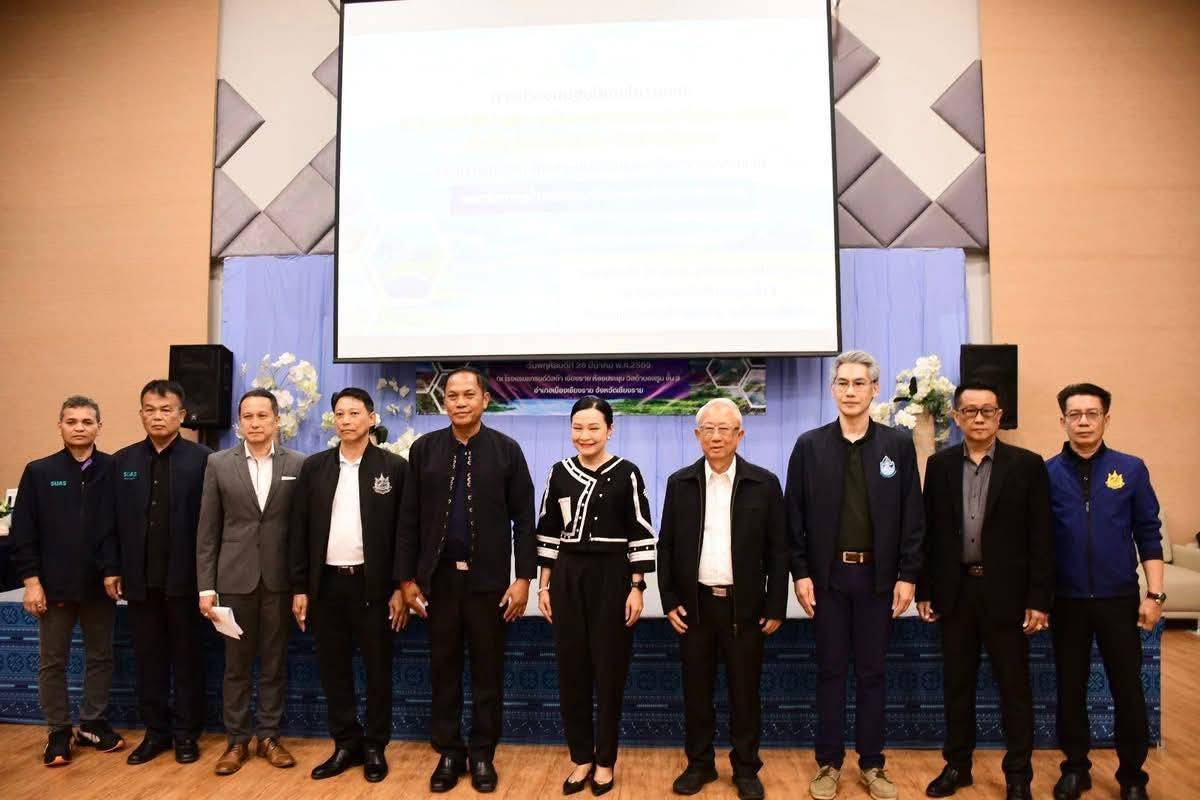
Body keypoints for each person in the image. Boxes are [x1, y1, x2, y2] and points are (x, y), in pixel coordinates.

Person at [785, 350, 923, 800]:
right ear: (833, 390)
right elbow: (793, 516)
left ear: (874, 389)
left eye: (859, 383)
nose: (850, 391)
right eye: (843, 383)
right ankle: (828, 763)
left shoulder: (897, 446)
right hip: (827, 580)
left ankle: (872, 763)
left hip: (877, 581)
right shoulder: (809, 446)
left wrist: (907, 575)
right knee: (829, 672)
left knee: (872, 673)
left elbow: (913, 516)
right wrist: (800, 573)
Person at [396, 367, 536, 794]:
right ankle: (449, 753)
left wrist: (523, 578)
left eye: (468, 394)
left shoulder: (506, 451)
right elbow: (408, 519)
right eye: (452, 395)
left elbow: (524, 519)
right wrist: (406, 579)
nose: (459, 402)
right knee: (444, 671)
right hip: (438, 583)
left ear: (485, 400)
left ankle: (482, 754)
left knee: (488, 672)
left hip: (489, 584)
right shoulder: (424, 450)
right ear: (444, 403)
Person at [917, 381, 1054, 800]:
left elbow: (1042, 537)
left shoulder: (1027, 465)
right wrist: (925, 589)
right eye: (969, 411)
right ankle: (957, 767)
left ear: (1000, 417)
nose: (978, 418)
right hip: (955, 593)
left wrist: (1038, 599)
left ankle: (1018, 775)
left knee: (1014, 689)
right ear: (956, 417)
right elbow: (930, 532)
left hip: (1007, 596)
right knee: (957, 687)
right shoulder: (939, 465)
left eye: (987, 411)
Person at [658, 398, 788, 800]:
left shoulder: (763, 484)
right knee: (696, 693)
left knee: (745, 694)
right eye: (708, 429)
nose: (716, 436)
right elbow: (667, 546)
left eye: (725, 429)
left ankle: (746, 768)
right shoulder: (680, 483)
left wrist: (775, 604)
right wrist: (669, 600)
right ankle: (699, 764)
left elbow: (779, 550)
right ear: (697, 435)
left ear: (740, 434)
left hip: (744, 608)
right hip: (695, 607)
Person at [1046, 384, 1162, 800]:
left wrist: (1155, 596)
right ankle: (1075, 768)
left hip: (1119, 600)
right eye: (1074, 415)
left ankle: (1132, 777)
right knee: (1070, 689)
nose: (1083, 422)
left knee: (1128, 689)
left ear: (1106, 419)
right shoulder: (1046, 473)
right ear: (1063, 421)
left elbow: (1148, 534)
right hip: (1067, 601)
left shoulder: (1131, 469)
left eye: (1091, 414)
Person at [535, 396, 656, 796]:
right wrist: (544, 585)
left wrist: (637, 587)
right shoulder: (559, 472)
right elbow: (548, 530)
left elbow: (640, 531)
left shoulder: (627, 472)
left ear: (610, 430)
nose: (584, 435)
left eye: (593, 428)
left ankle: (605, 761)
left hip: (613, 578)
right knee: (571, 672)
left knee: (609, 672)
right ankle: (581, 758)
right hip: (568, 577)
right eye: (578, 428)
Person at [289, 387, 408, 783]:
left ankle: (374, 746)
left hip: (374, 587)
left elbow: (404, 533)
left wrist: (400, 586)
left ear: (371, 418)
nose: (346, 420)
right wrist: (300, 587)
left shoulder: (393, 468)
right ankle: (345, 743)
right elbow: (299, 530)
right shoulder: (315, 467)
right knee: (334, 670)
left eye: (354, 413)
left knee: (377, 670)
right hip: (327, 586)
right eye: (339, 414)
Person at [195, 388, 305, 775]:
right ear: (239, 422)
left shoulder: (298, 463)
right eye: (248, 417)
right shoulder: (218, 464)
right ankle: (237, 741)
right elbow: (207, 531)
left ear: (277, 420)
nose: (255, 423)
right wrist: (206, 587)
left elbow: (302, 530)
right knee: (236, 667)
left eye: (262, 416)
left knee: (274, 664)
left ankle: (269, 737)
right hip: (233, 580)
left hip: (278, 581)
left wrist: (301, 584)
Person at [9, 395, 124, 766]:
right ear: (59, 425)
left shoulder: (113, 469)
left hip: (100, 585)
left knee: (101, 656)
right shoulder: (39, 471)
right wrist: (32, 581)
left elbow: (119, 527)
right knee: (53, 661)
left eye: (87, 422)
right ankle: (58, 730)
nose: (79, 427)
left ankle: (92, 722)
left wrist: (114, 569)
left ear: (99, 427)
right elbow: (23, 531)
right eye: (71, 421)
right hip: (53, 585)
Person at [112, 380, 211, 765]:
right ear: (141, 414)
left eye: (166, 410)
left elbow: (213, 524)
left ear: (181, 415)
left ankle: (186, 735)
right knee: (149, 662)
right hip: (140, 581)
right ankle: (155, 733)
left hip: (186, 581)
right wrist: (112, 569)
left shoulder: (204, 460)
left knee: (188, 661)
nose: (157, 417)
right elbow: (110, 521)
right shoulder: (122, 462)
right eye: (150, 410)